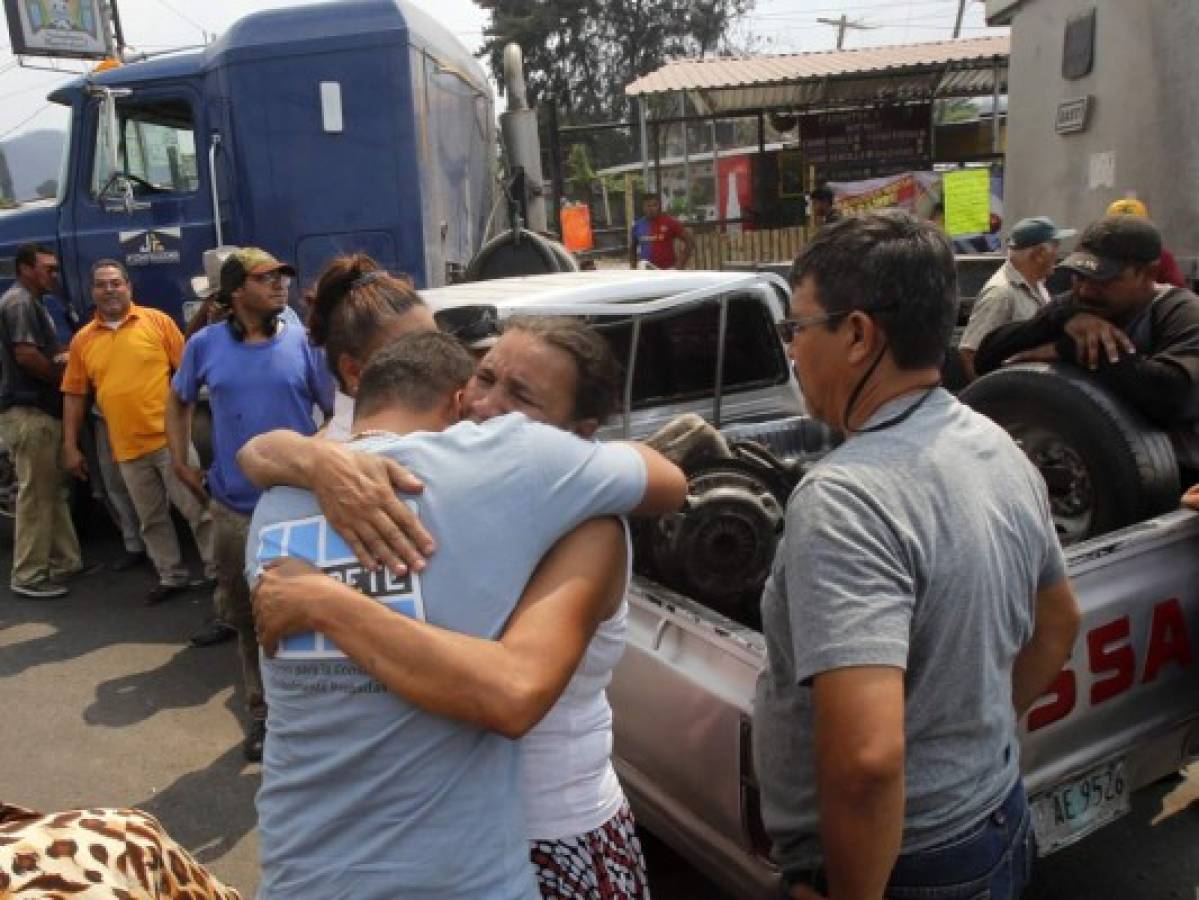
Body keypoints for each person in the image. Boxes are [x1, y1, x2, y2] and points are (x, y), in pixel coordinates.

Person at [240, 318, 673, 897]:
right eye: (484, 377)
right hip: (461, 849)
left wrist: (325, 601)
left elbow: (512, 690)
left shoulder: (585, 524)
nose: (486, 404)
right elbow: (257, 454)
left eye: (520, 396)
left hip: (553, 835)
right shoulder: (438, 487)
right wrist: (311, 459)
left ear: (580, 433)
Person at [754, 211, 1080, 899]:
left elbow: (868, 761)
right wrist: (965, 752)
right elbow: (1057, 623)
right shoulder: (992, 441)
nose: (790, 352)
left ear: (856, 335)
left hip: (907, 865)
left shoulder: (846, 498)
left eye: (796, 329)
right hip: (994, 816)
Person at [166, 246, 335, 761]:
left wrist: (308, 461)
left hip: (297, 505)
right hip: (234, 509)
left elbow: (331, 412)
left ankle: (313, 716)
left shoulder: (304, 341)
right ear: (236, 291)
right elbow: (178, 399)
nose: (280, 285)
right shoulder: (205, 345)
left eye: (283, 276)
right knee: (248, 619)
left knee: (309, 617)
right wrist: (181, 459)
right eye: (267, 278)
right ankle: (261, 715)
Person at [62, 259, 215, 605]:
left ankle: (219, 572)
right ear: (92, 292)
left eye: (116, 282)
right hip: (126, 448)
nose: (110, 289)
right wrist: (70, 445)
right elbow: (73, 395)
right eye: (102, 284)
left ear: (129, 286)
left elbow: (188, 372)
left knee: (198, 510)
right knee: (151, 520)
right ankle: (171, 576)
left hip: (171, 443)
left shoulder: (157, 322)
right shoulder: (82, 341)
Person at [975, 215, 1199, 428]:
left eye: (1104, 280)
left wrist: (1071, 350)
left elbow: (1177, 398)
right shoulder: (1073, 305)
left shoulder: (1181, 313)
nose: (1085, 290)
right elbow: (987, 359)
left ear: (1147, 274)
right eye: (1080, 276)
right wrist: (1056, 320)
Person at [0, 243, 84, 598]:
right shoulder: (19, 303)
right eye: (47, 269)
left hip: (37, 410)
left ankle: (66, 561)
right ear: (25, 269)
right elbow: (26, 355)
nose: (53, 275)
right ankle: (29, 575)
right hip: (28, 411)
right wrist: (61, 378)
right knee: (36, 494)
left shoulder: (31, 302)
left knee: (53, 491)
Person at [305, 253, 435, 441]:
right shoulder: (360, 455)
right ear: (354, 372)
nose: (441, 364)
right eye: (413, 358)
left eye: (439, 344)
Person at [958, 216, 1076, 381]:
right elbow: (969, 354)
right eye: (1056, 245)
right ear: (1039, 254)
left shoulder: (1037, 284)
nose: (1058, 253)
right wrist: (990, 400)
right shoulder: (1001, 293)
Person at [1107, 197, 1186, 288]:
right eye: (1119, 229)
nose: (1127, 235)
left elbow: (1177, 291)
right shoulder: (1099, 256)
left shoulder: (1161, 257)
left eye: (1134, 228)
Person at [630, 192, 694, 270]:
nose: (652, 208)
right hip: (647, 271)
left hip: (667, 270)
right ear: (643, 207)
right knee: (643, 264)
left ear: (659, 206)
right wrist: (633, 269)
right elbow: (632, 248)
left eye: (655, 205)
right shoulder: (638, 225)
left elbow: (689, 241)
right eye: (648, 206)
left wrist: (680, 264)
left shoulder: (669, 222)